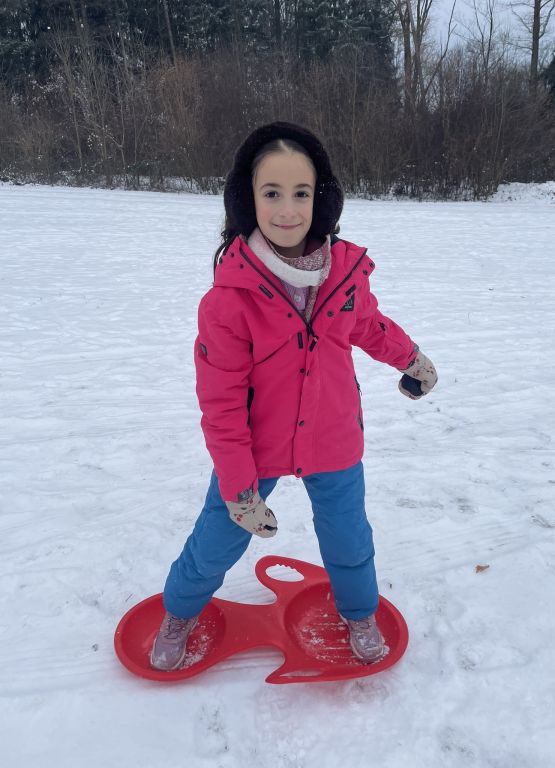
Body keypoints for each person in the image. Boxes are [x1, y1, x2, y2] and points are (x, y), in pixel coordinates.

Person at [150, 122, 438, 671]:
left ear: (320, 199)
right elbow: (221, 402)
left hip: (333, 436)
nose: (288, 210)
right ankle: (179, 612)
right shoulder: (228, 301)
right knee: (217, 539)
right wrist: (239, 487)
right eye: (272, 193)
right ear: (248, 200)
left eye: (301, 193)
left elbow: (369, 325)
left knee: (349, 539)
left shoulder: (344, 275)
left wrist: (410, 357)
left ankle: (359, 614)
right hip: (255, 448)